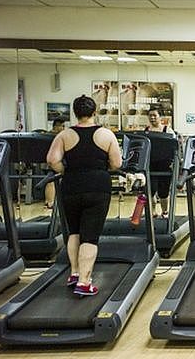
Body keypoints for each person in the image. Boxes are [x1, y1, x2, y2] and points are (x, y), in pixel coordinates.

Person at [46, 95, 122, 296]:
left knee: (74, 232)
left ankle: (74, 272)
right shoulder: (106, 134)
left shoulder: (64, 135)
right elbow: (117, 163)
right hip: (97, 187)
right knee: (90, 236)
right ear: (94, 112)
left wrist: (65, 171)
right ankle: (84, 282)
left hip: (71, 186)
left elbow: (52, 160)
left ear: (75, 113)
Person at [145, 108, 175, 218]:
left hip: (164, 165)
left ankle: (165, 212)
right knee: (150, 190)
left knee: (163, 192)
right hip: (150, 165)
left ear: (160, 117)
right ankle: (152, 212)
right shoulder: (146, 130)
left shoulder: (168, 130)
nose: (152, 118)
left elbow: (174, 147)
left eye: (154, 115)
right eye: (150, 115)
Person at [44, 119, 65, 209]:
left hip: (55, 161)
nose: (64, 128)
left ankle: (50, 201)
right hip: (52, 162)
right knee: (51, 181)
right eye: (62, 126)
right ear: (56, 126)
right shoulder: (53, 136)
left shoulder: (48, 135)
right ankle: (49, 202)